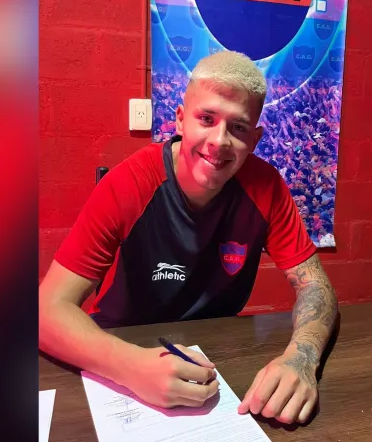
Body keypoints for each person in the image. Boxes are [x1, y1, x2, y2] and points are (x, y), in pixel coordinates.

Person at [39, 50, 339, 425]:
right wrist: (130, 366)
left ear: (255, 139)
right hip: (118, 347)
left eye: (238, 127)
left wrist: (302, 358)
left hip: (213, 360)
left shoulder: (267, 188)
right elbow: (46, 311)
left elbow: (316, 288)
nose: (219, 140)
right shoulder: (127, 183)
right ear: (180, 119)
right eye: (206, 119)